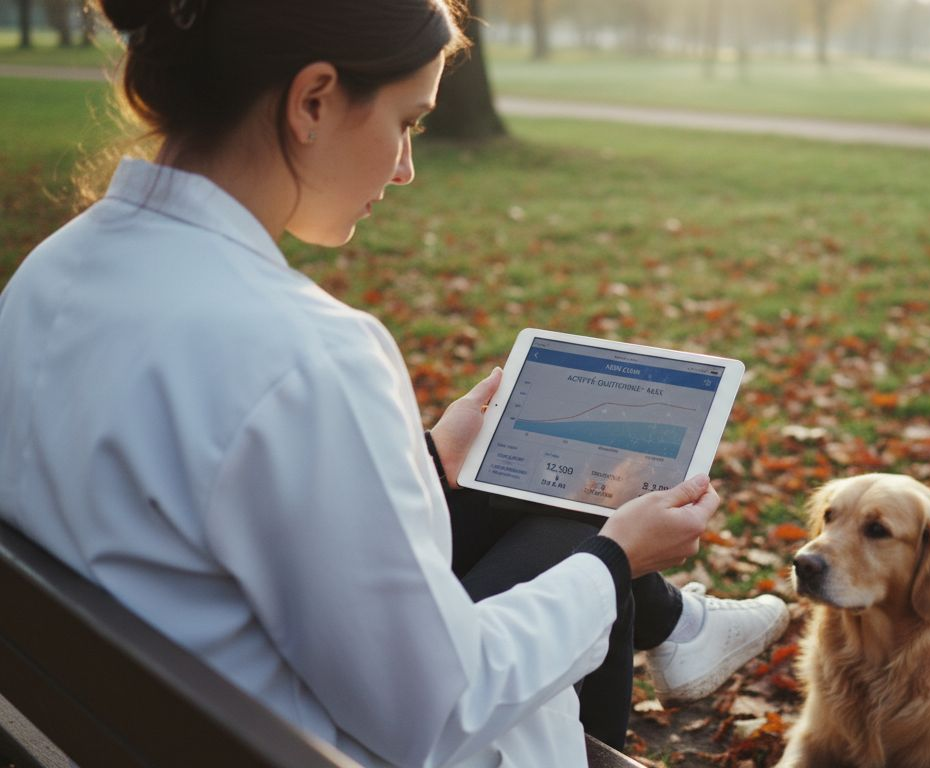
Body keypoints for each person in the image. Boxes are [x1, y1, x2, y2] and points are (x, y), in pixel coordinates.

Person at [0, 1, 788, 766]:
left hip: (138, 719)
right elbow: (438, 714)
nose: (407, 168)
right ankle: (672, 624)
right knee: (587, 533)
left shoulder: (53, 271)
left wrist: (427, 462)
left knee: (552, 510)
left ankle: (679, 628)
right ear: (313, 101)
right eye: (407, 122)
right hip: (314, 743)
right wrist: (616, 564)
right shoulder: (309, 353)